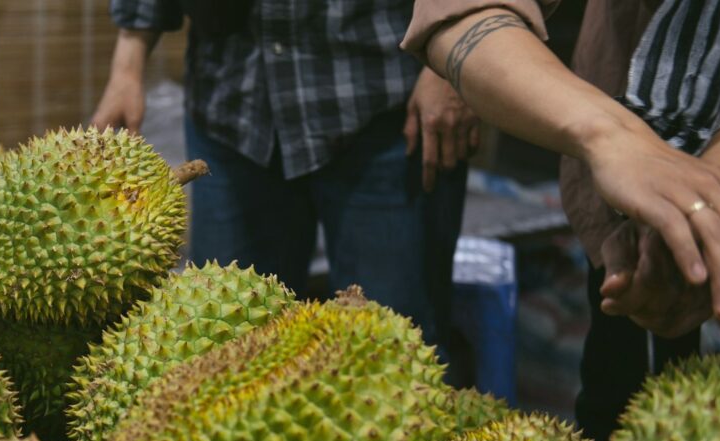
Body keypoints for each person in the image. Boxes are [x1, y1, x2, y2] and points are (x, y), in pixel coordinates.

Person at [403, 0, 720, 441]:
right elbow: (465, 11)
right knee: (617, 407)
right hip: (624, 176)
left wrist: (698, 197)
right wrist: (613, 140)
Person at [91, 1, 480, 358]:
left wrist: (451, 62)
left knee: (393, 351)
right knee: (220, 351)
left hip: (385, 102)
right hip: (234, 107)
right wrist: (128, 62)